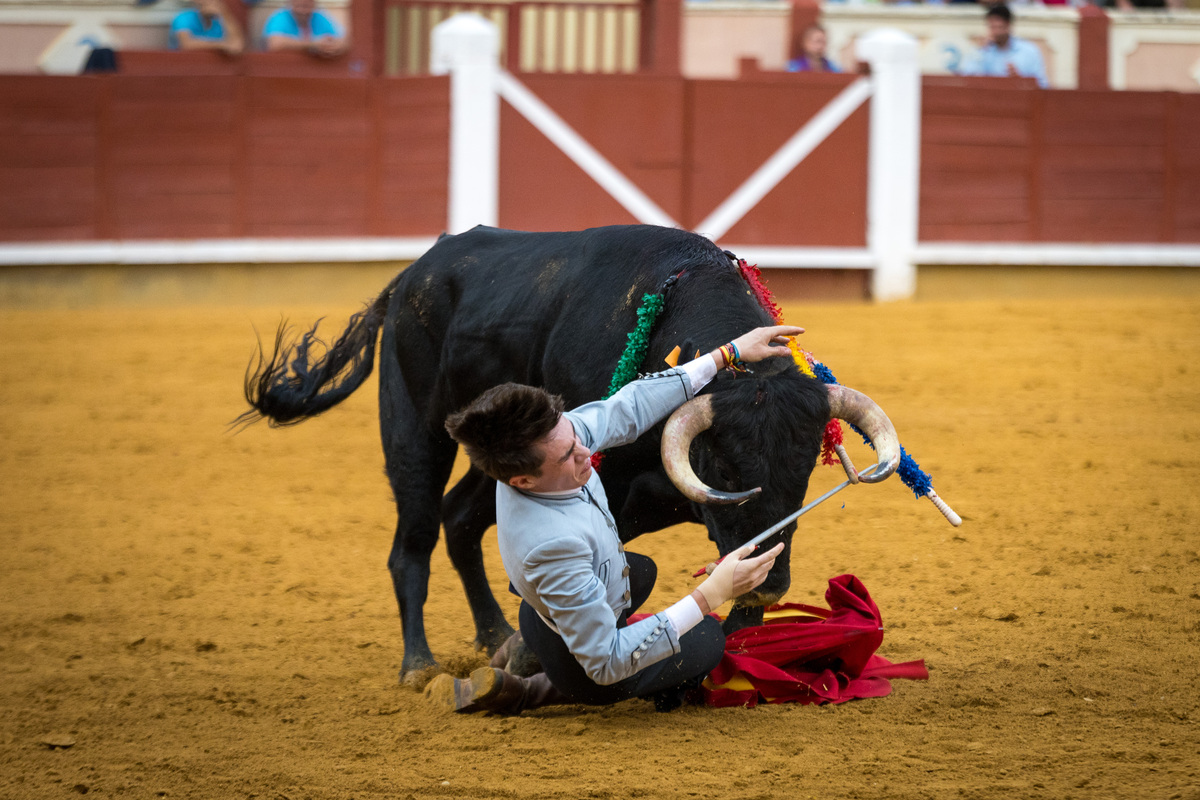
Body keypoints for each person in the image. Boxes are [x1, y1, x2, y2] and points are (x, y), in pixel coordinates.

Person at [426, 325, 801, 716]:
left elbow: (629, 407)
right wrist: (713, 593)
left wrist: (728, 353)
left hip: (543, 617)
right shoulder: (553, 547)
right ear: (523, 480)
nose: (586, 451)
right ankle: (526, 691)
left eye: (573, 436)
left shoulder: (547, 443)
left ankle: (523, 645)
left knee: (638, 571)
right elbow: (606, 663)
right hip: (589, 668)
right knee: (706, 638)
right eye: (567, 456)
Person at [958, 4, 1048, 89]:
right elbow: (967, 77)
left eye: (999, 27)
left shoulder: (1029, 51)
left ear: (1008, 25)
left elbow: (1043, 85)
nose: (996, 32)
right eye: (992, 27)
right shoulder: (982, 50)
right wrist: (980, 51)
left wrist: (1021, 81)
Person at [262, 0, 346, 58]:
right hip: (286, 70)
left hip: (317, 69)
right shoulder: (280, 17)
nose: (303, 11)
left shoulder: (319, 17)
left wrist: (333, 47)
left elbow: (341, 40)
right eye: (299, 6)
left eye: (306, 6)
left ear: (313, 4)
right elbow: (274, 44)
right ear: (291, 3)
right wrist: (313, 44)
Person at [169, 0, 244, 55]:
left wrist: (224, 13)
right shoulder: (183, 17)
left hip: (212, 69)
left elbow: (237, 44)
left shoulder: (219, 20)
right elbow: (186, 44)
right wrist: (223, 45)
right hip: (183, 68)